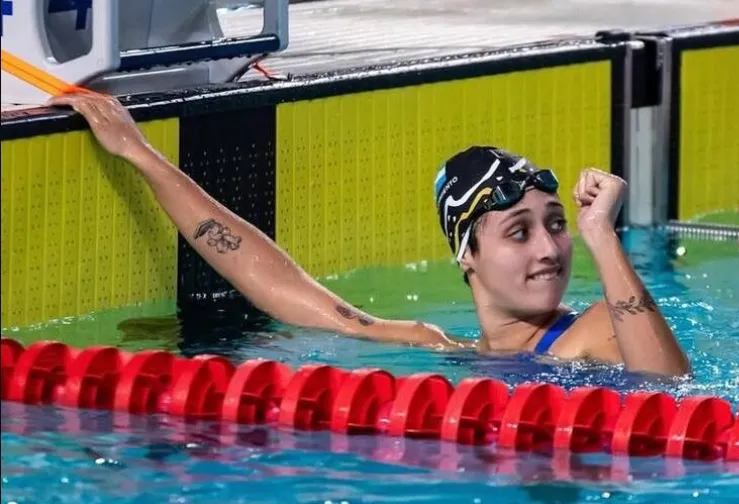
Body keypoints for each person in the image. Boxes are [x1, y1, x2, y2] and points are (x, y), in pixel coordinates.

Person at [47, 91, 691, 377]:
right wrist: (141, 154)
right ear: (466, 255)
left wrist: (603, 237)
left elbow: (667, 388)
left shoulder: (593, 331)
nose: (550, 249)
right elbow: (280, 285)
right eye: (519, 233)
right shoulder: (435, 346)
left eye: (556, 225)